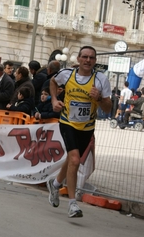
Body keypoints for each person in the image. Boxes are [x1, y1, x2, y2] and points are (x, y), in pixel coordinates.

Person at [47, 46, 112, 218]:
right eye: (85, 57)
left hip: (87, 127)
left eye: (91, 57)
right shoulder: (67, 74)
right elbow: (53, 82)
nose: (88, 60)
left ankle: (55, 184)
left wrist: (98, 98)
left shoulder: (101, 80)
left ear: (95, 61)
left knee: (71, 159)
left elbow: (107, 108)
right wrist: (54, 99)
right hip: (68, 122)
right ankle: (72, 204)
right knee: (75, 160)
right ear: (78, 58)